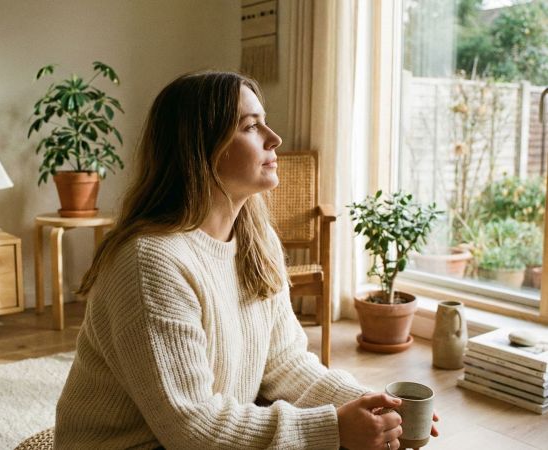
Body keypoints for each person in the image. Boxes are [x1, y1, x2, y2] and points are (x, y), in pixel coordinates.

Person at [55, 71, 436, 449]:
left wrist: (372, 404)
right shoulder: (150, 262)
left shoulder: (257, 241)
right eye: (251, 127)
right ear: (200, 148)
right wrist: (332, 428)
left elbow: (285, 364)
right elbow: (192, 427)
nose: (275, 139)